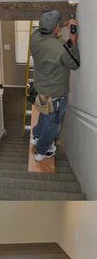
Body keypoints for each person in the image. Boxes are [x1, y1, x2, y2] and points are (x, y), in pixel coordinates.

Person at [30, 9, 80, 161]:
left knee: (45, 113)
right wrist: (74, 40)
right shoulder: (61, 47)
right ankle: (42, 152)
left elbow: (45, 29)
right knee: (53, 126)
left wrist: (63, 24)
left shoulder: (35, 36)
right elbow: (75, 64)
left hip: (40, 90)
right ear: (56, 28)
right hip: (55, 95)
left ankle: (36, 135)